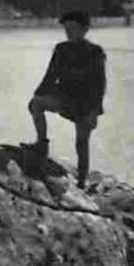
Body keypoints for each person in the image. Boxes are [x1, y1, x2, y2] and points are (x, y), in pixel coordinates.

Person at [27, 10, 106, 185]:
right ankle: (42, 143)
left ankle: (82, 181)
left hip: (85, 104)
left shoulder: (95, 52)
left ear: (85, 29)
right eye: (66, 28)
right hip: (63, 98)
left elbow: (100, 84)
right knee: (36, 104)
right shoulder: (61, 48)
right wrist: (38, 95)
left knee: (81, 143)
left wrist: (94, 112)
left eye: (73, 28)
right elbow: (50, 75)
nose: (68, 32)